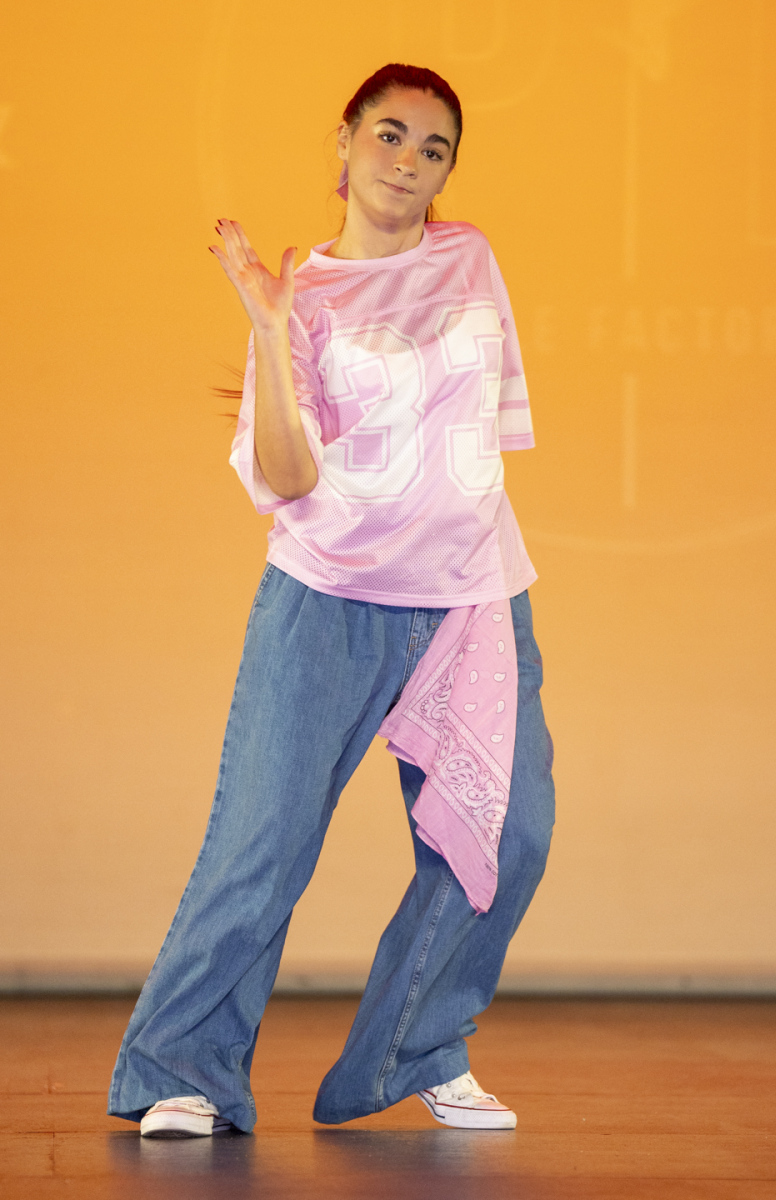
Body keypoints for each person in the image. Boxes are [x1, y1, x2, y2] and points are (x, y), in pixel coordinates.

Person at [107, 62, 555, 1139]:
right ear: (345, 141)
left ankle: (416, 1049)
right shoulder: (299, 293)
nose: (409, 161)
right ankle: (182, 1069)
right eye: (389, 135)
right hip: (329, 598)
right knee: (263, 844)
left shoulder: (470, 256)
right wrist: (271, 330)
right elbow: (289, 475)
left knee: (509, 834)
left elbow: (477, 437)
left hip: (470, 599)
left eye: (434, 149)